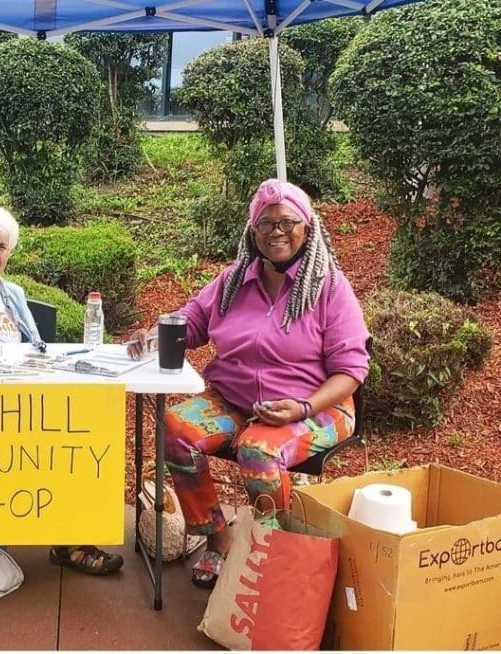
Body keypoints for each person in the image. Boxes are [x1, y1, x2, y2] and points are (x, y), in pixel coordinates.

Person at [126, 179, 369, 588]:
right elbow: (195, 320)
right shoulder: (234, 281)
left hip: (317, 407)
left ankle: (271, 549)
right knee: (175, 430)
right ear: (252, 232)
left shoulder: (330, 288)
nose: (276, 231)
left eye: (287, 221)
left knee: (258, 451)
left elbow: (351, 370)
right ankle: (219, 541)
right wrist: (154, 334)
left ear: (306, 228)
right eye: (266, 223)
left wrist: (304, 407)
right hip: (235, 402)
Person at [0, 205, 124, 576]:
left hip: (20, 401)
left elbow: (36, 348)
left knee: (75, 438)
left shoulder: (13, 294)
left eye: (2, 247)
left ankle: (70, 541)